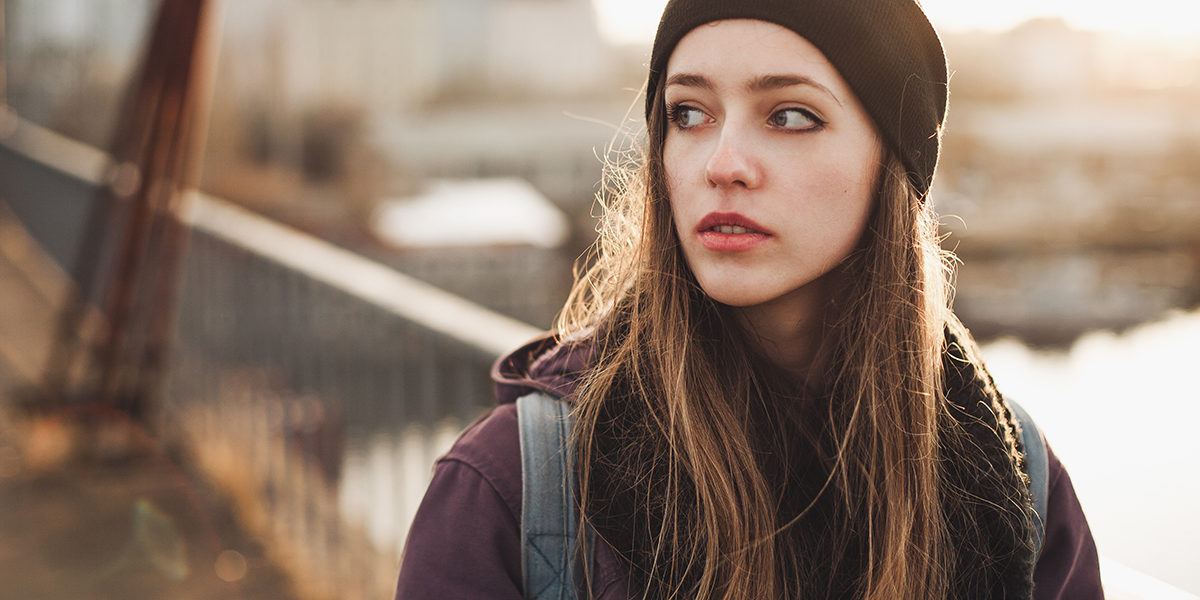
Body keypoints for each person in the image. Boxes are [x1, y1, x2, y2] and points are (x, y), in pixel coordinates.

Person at [394, 0, 1104, 598]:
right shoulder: (511, 491)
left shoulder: (1014, 480)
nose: (722, 163)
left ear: (894, 164)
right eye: (688, 114)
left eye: (789, 116)